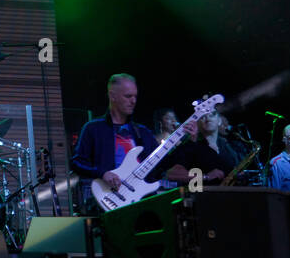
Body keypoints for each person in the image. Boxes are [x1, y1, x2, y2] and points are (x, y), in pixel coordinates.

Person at [70, 74, 201, 212]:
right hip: (107, 199)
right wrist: (103, 173)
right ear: (112, 96)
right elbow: (77, 162)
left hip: (142, 202)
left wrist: (189, 140)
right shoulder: (93, 128)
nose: (133, 101)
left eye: (135, 96)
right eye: (128, 96)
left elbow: (165, 163)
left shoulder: (142, 132)